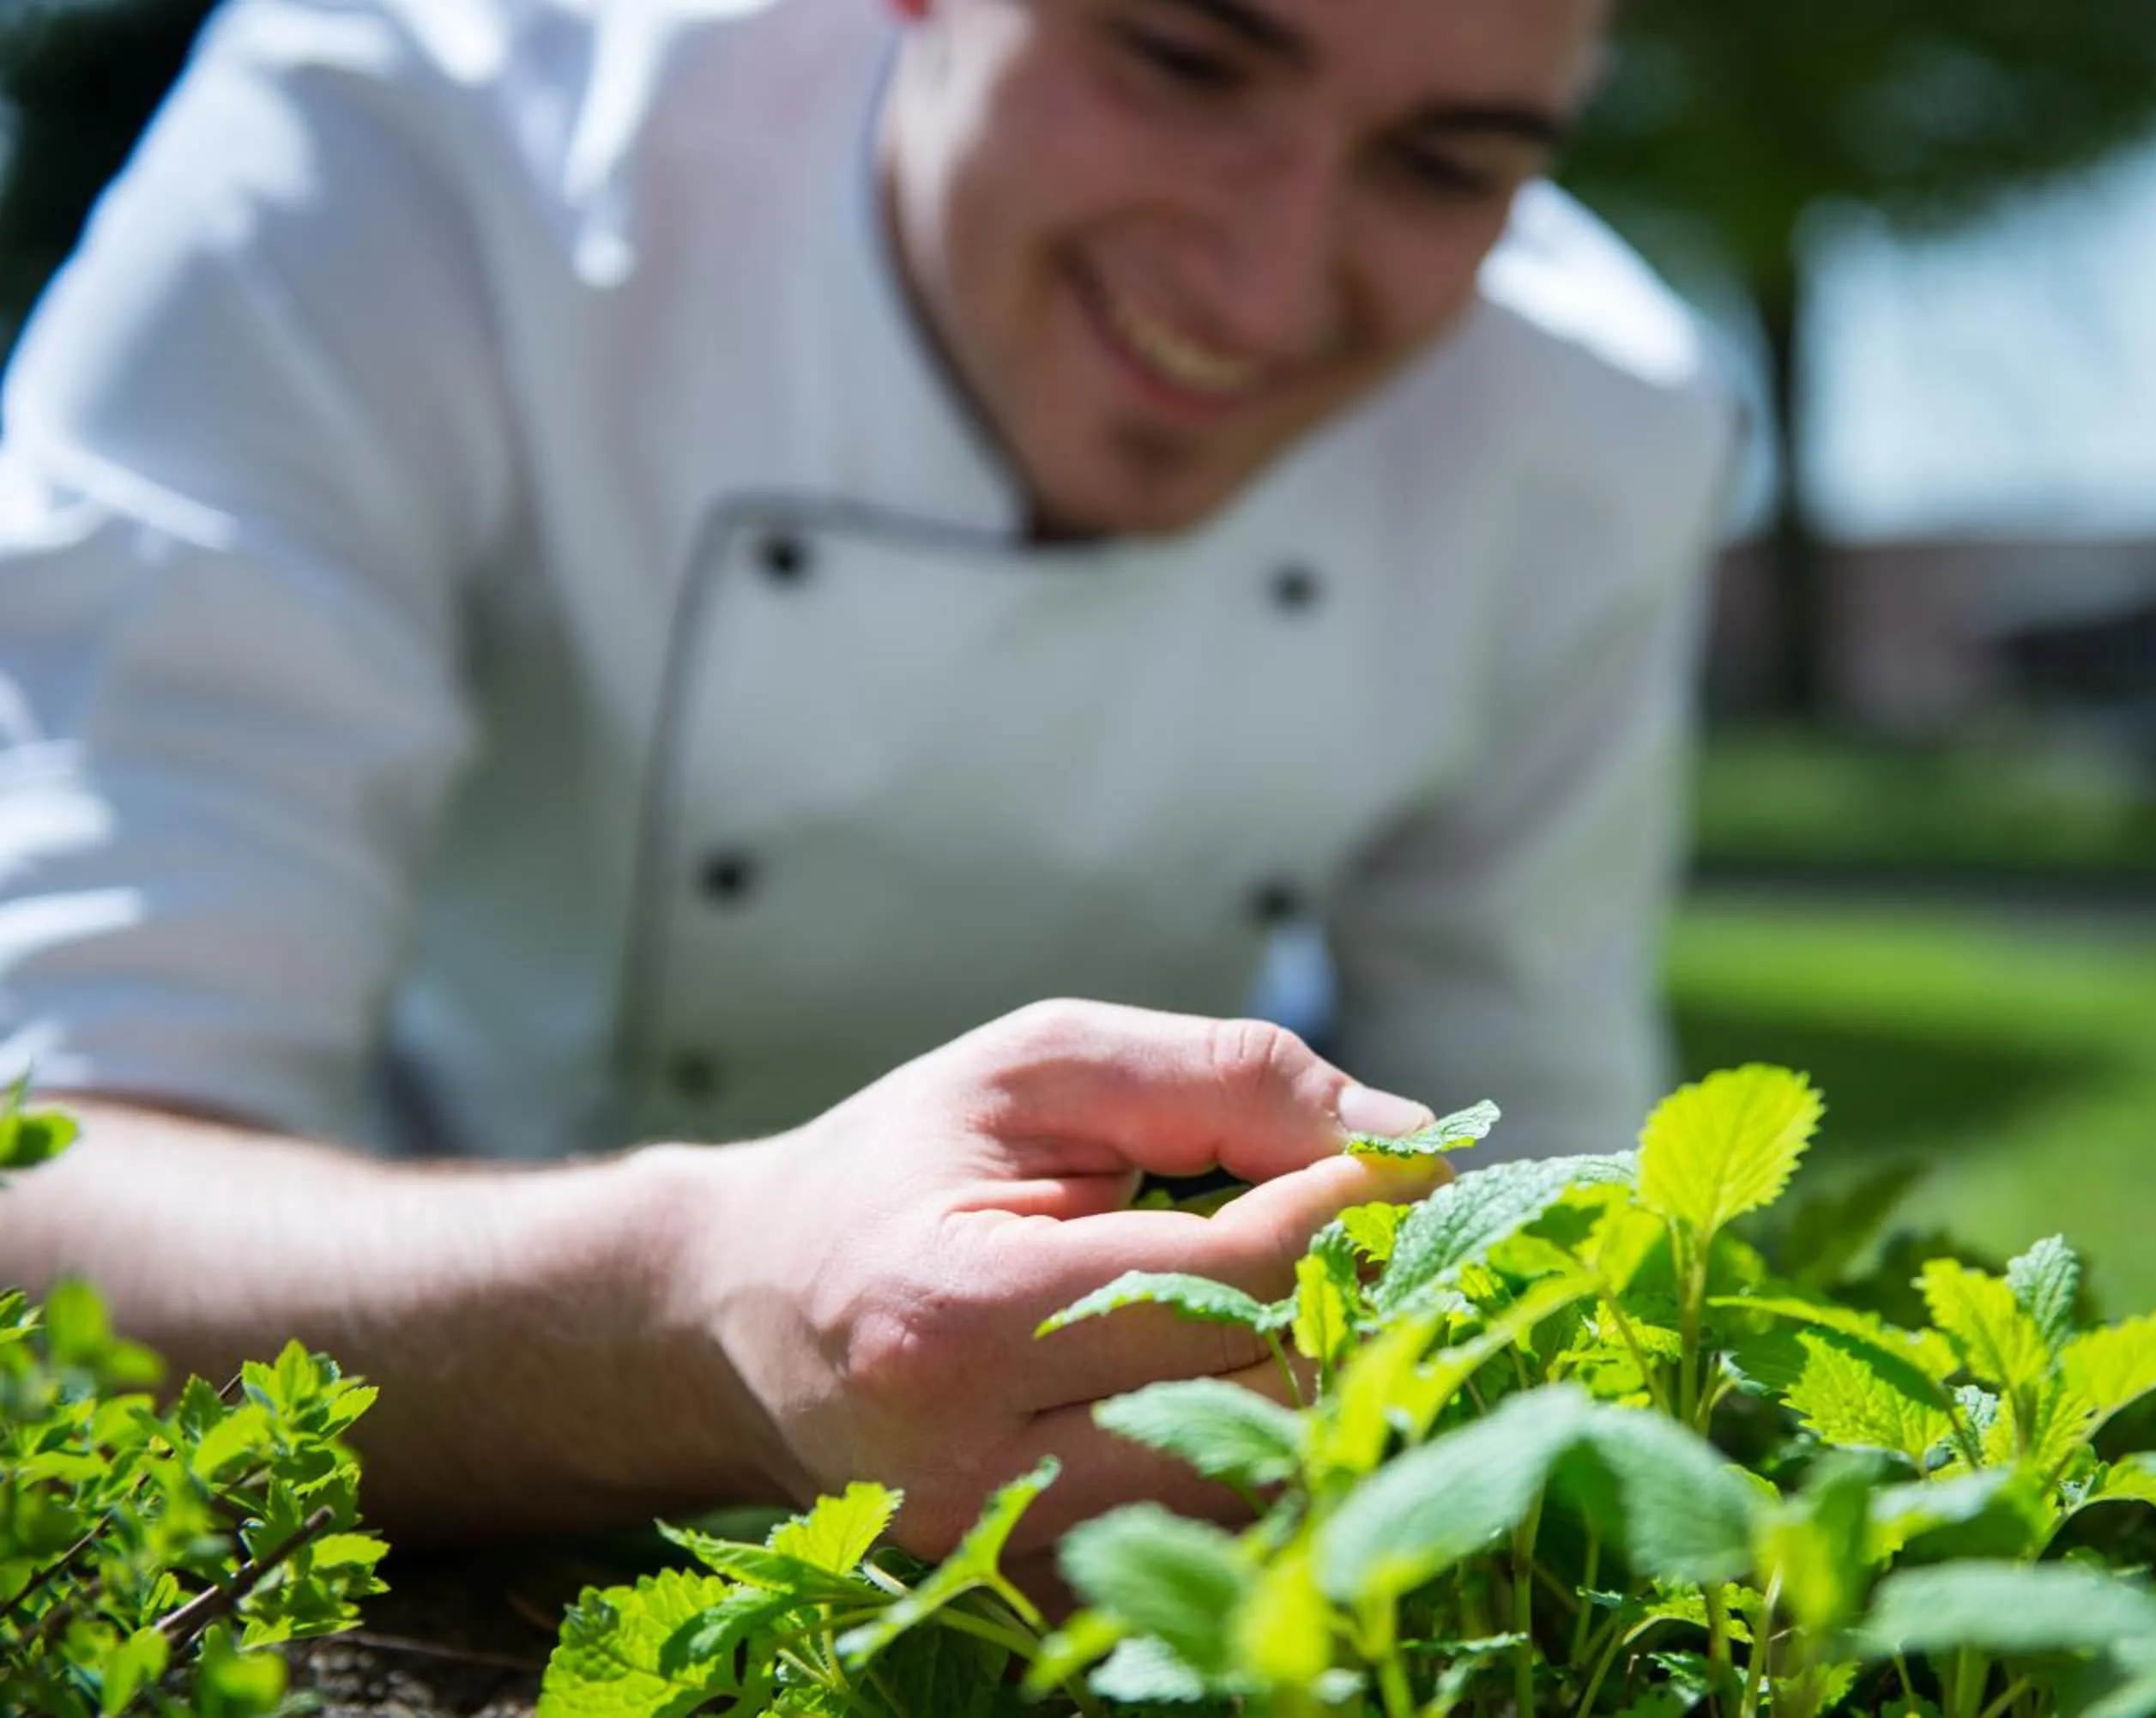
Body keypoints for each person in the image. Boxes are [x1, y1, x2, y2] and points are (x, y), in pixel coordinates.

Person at [0, 0, 1739, 1546]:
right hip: (376, 1337)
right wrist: (695, 1302)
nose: (1264, 288)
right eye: (1184, 56)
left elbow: (1544, 1182)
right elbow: (53, 1192)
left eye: (1445, 165)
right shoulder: (395, 164)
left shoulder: (1593, 432)